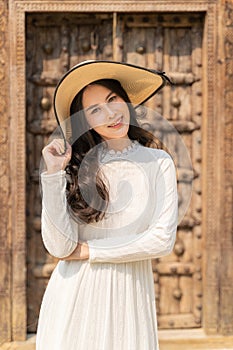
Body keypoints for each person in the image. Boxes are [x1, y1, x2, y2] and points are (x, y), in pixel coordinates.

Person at [36, 60, 178, 350]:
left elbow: (161, 240)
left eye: (112, 99)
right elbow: (60, 248)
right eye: (95, 110)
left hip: (130, 303)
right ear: (85, 121)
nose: (111, 113)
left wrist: (89, 250)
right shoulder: (75, 168)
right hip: (74, 298)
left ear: (125, 100)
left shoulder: (158, 163)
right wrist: (52, 174)